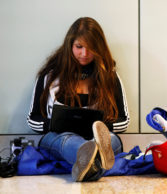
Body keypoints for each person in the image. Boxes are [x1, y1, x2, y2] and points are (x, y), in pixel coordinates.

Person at [26, 17, 130, 182]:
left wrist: (100, 127)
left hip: (97, 136)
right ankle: (91, 156)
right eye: (79, 47)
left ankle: (89, 162)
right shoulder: (49, 76)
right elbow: (33, 119)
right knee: (67, 140)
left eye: (91, 48)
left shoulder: (109, 76)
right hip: (58, 137)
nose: (84, 54)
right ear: (70, 45)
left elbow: (124, 121)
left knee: (111, 139)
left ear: (99, 48)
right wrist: (53, 124)